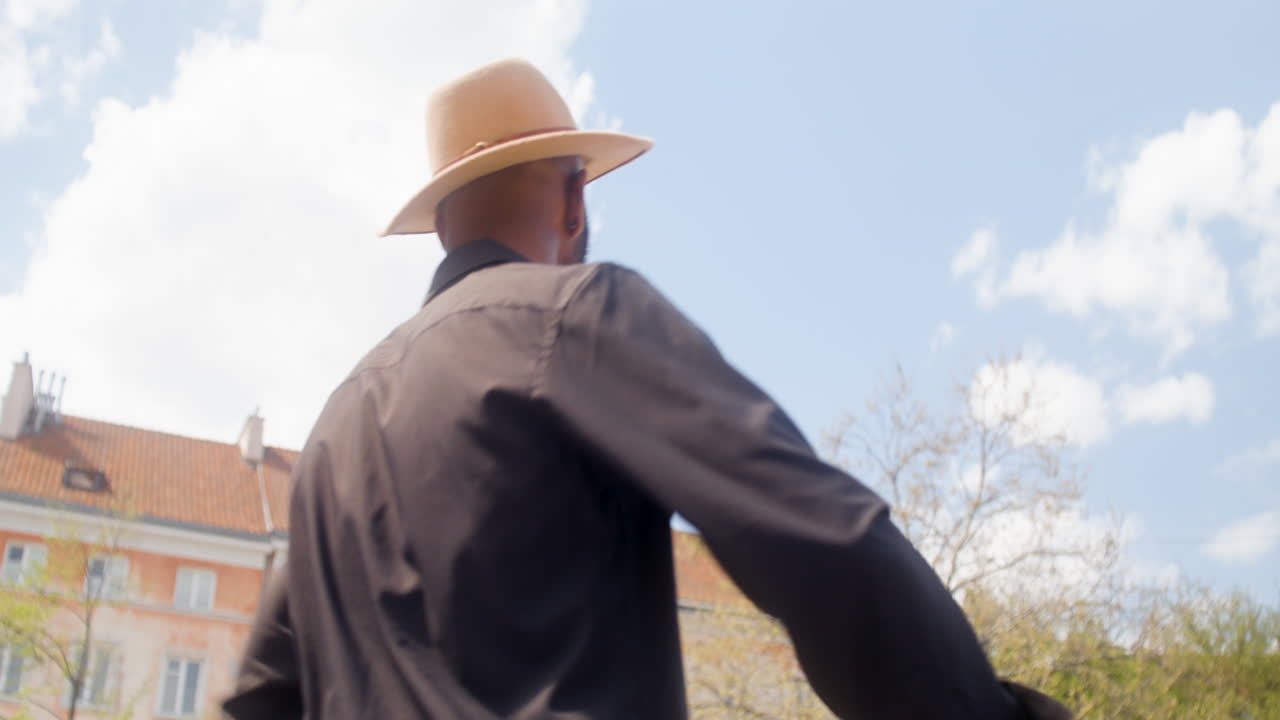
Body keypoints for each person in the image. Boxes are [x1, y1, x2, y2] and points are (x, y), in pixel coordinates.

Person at [224, 58, 1072, 719]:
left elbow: (257, 698)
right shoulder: (574, 316)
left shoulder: (331, 435)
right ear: (573, 200)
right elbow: (818, 539)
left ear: (440, 224)